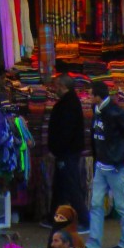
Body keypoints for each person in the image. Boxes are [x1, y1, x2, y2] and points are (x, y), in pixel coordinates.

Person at [85, 80, 124, 248]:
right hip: (101, 166)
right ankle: (94, 242)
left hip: (116, 167)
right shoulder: (97, 110)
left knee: (122, 205)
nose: (88, 97)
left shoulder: (115, 113)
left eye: (90, 94)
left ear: (97, 96)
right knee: (95, 203)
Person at [47, 75, 89, 228]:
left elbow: (65, 131)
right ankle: (54, 216)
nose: (54, 88)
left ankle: (84, 220)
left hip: (67, 152)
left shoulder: (69, 104)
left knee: (71, 186)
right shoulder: (68, 102)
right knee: (60, 185)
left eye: (56, 85)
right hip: (65, 151)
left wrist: (57, 150)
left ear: (63, 86)